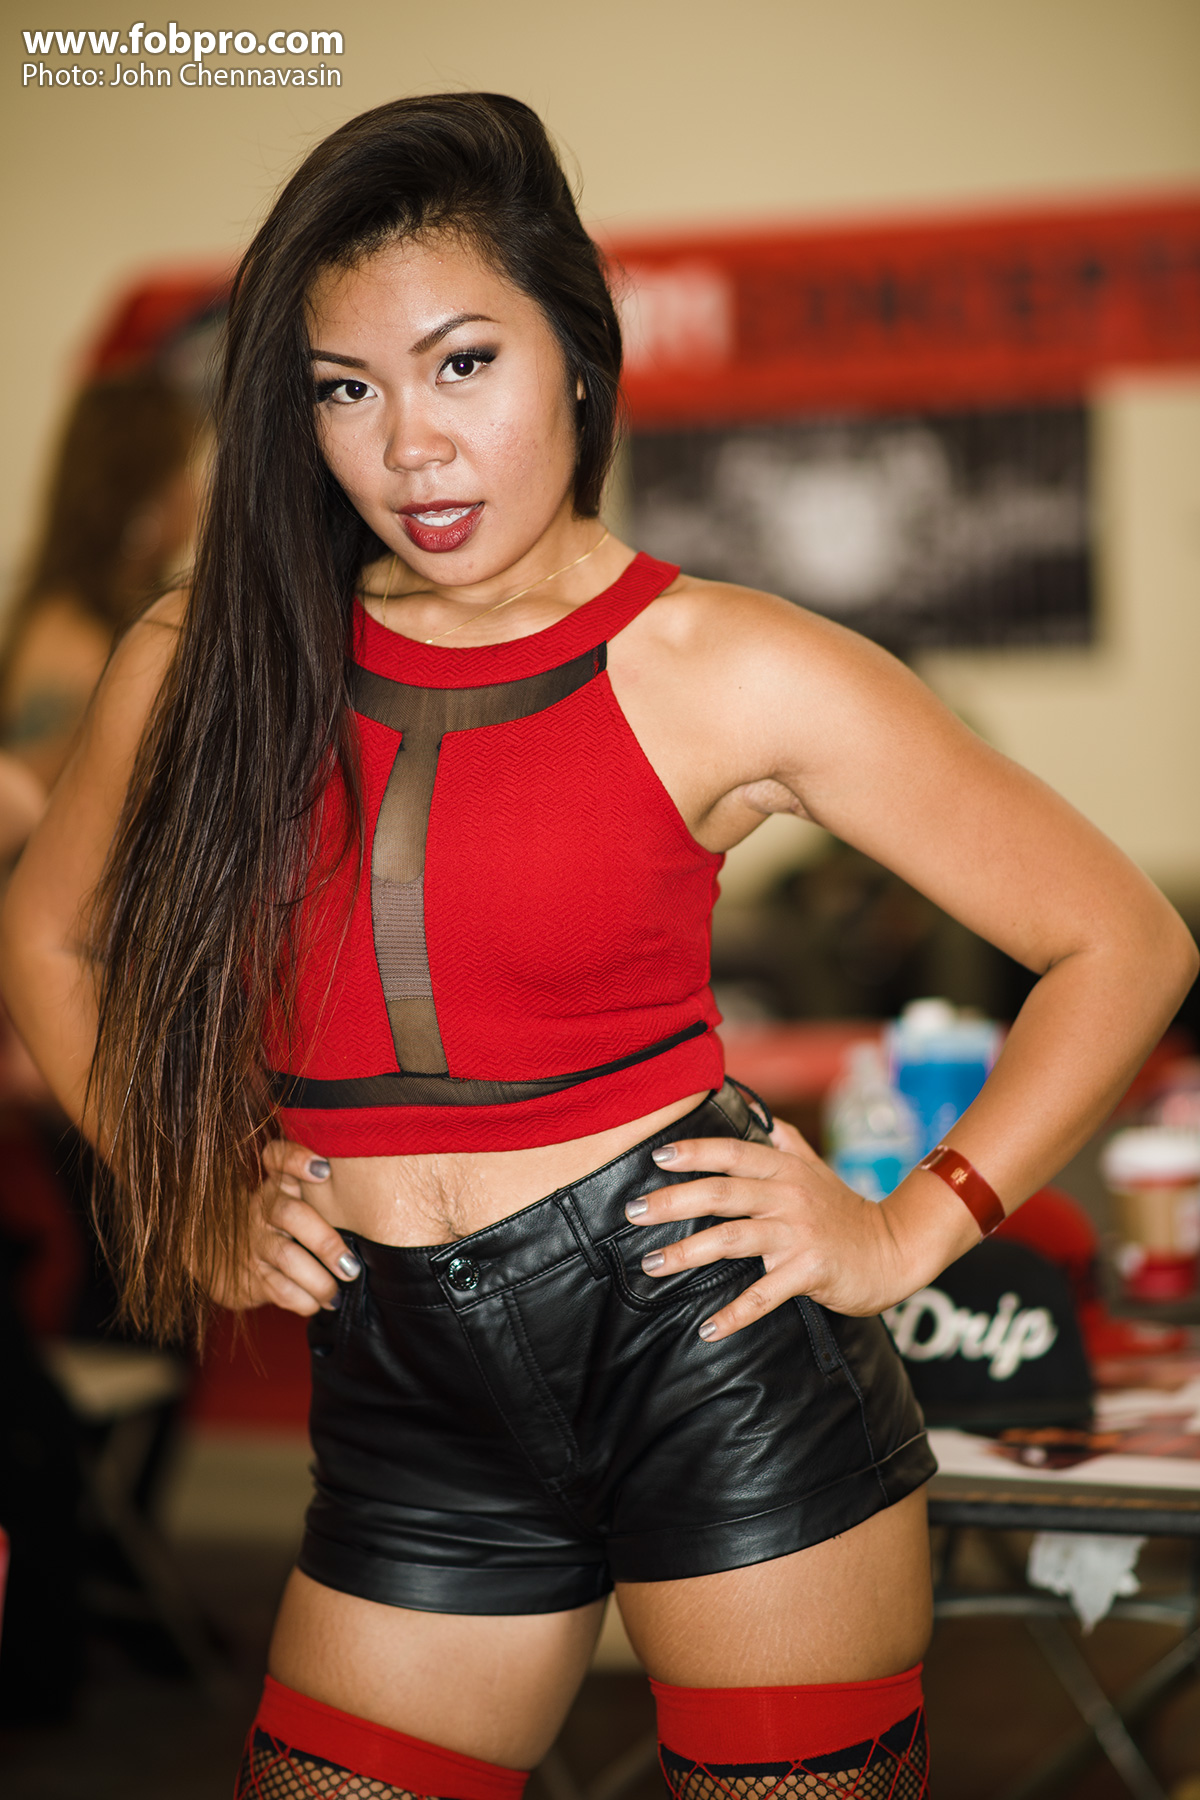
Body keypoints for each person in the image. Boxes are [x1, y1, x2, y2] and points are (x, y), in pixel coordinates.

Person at [1, 93, 1194, 1800]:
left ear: (577, 355)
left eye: (462, 364)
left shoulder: (725, 664)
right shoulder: (209, 656)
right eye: (346, 389)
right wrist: (179, 1174)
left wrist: (908, 1229)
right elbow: (46, 936)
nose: (411, 446)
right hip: (403, 1401)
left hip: (714, 1367)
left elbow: (1121, 940)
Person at [0, 366, 201, 788]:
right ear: (147, 499)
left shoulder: (80, 617)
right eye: (185, 468)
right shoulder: (76, 648)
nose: (196, 489)